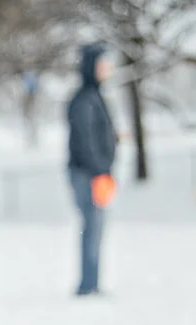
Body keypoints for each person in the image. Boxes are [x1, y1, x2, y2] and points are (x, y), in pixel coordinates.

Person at [67, 43, 117, 296]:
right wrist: (100, 170)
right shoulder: (85, 99)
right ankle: (88, 285)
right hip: (88, 174)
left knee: (96, 227)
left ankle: (92, 282)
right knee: (92, 226)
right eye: (102, 64)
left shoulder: (94, 97)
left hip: (96, 173)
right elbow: (86, 140)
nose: (107, 69)